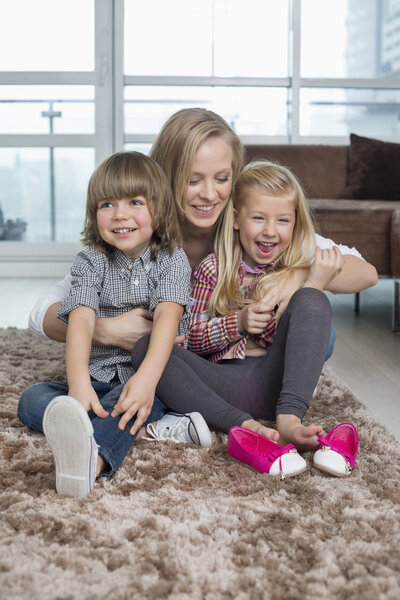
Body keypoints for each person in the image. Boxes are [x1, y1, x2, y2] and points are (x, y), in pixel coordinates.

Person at [28, 108, 377, 353]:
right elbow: (41, 313)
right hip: (168, 356)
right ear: (164, 177)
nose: (210, 194)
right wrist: (104, 331)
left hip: (226, 350)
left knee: (321, 334)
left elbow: (364, 271)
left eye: (222, 179)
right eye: (193, 180)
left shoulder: (251, 224)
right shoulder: (139, 230)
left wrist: (298, 276)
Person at [129, 160, 375, 451]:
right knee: (146, 348)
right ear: (235, 219)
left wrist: (311, 282)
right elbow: (190, 339)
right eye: (258, 218)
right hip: (220, 383)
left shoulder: (295, 267)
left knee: (313, 299)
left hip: (273, 383)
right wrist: (239, 323)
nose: (270, 231)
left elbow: (367, 274)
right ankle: (244, 425)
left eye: (283, 221)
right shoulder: (213, 268)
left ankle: (288, 420)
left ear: (295, 223)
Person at [18, 151, 211, 498]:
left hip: (149, 378)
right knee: (31, 399)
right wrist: (78, 386)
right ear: (95, 214)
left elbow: (168, 319)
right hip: (98, 377)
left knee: (138, 402)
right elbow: (81, 318)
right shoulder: (91, 260)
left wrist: (145, 382)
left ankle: (91, 461)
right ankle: (123, 424)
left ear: (159, 209)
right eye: (107, 204)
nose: (120, 214)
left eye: (135, 202)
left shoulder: (171, 259)